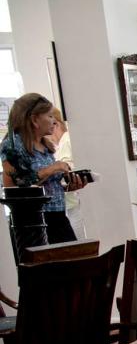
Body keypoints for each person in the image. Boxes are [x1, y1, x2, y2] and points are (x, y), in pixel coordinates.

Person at [1, 93, 86, 244]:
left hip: (58, 217)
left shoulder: (45, 146)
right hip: (32, 223)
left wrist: (70, 186)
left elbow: (47, 186)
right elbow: (14, 188)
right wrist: (52, 168)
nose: (54, 121)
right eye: (50, 116)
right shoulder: (13, 145)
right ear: (34, 119)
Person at [49, 108, 84, 240]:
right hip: (68, 203)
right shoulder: (63, 143)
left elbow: (68, 171)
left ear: (55, 124)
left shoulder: (66, 142)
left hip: (72, 203)